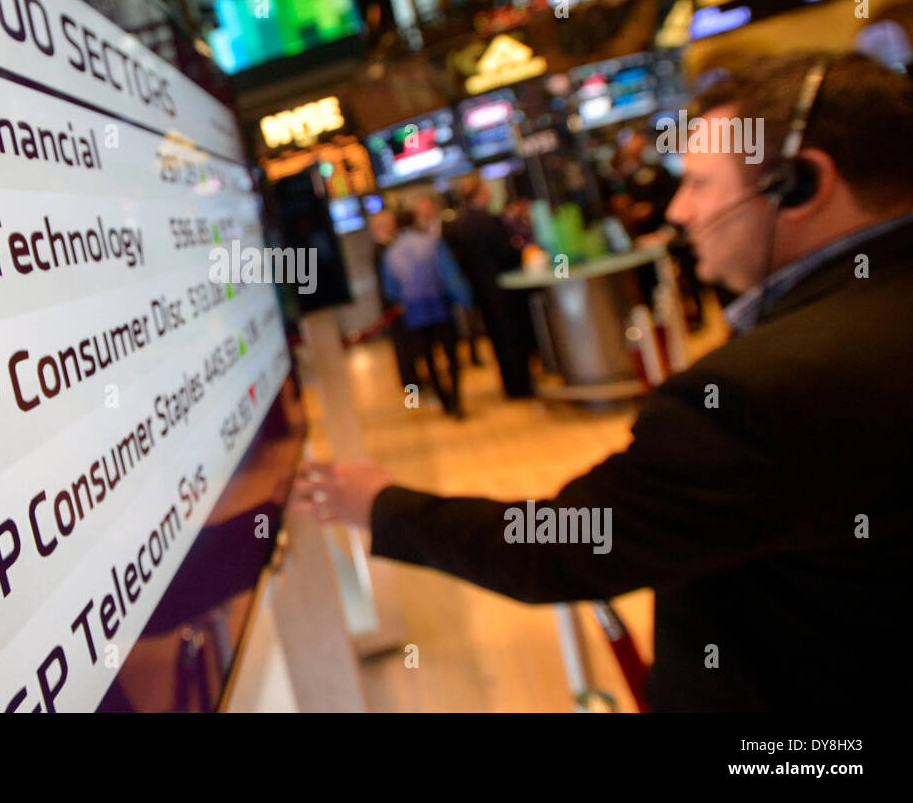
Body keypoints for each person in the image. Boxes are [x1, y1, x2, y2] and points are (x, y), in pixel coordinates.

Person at [295, 51, 913, 710]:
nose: (679, 209)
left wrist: (383, 505)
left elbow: (565, 544)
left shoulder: (761, 397)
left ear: (798, 183)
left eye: (701, 183)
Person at [380, 203, 473, 419]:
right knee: (451, 355)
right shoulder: (432, 243)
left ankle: (444, 401)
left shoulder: (391, 253)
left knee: (429, 358)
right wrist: (466, 299)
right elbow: (449, 275)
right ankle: (455, 398)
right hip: (440, 306)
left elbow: (390, 289)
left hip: (414, 312)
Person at [444, 178, 534, 397]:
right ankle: (521, 386)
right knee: (513, 338)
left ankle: (510, 386)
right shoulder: (489, 220)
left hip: (482, 291)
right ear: (481, 194)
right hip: (503, 289)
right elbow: (505, 254)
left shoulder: (461, 224)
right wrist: (521, 252)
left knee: (497, 339)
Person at [369, 208, 419, 392]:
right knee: (403, 344)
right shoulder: (382, 248)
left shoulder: (388, 245)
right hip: (394, 304)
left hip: (397, 302)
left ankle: (414, 379)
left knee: (407, 343)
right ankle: (411, 382)